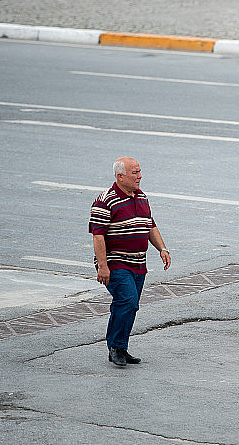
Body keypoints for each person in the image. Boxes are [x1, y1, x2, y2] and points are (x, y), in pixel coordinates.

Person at [89, 157, 171, 367]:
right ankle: (115, 347)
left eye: (139, 172)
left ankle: (121, 347)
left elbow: (150, 225)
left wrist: (162, 249)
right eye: (135, 173)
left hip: (138, 263)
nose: (140, 176)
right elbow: (98, 236)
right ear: (120, 176)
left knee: (131, 305)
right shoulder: (105, 201)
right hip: (116, 262)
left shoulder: (141, 197)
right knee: (127, 300)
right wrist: (103, 266)